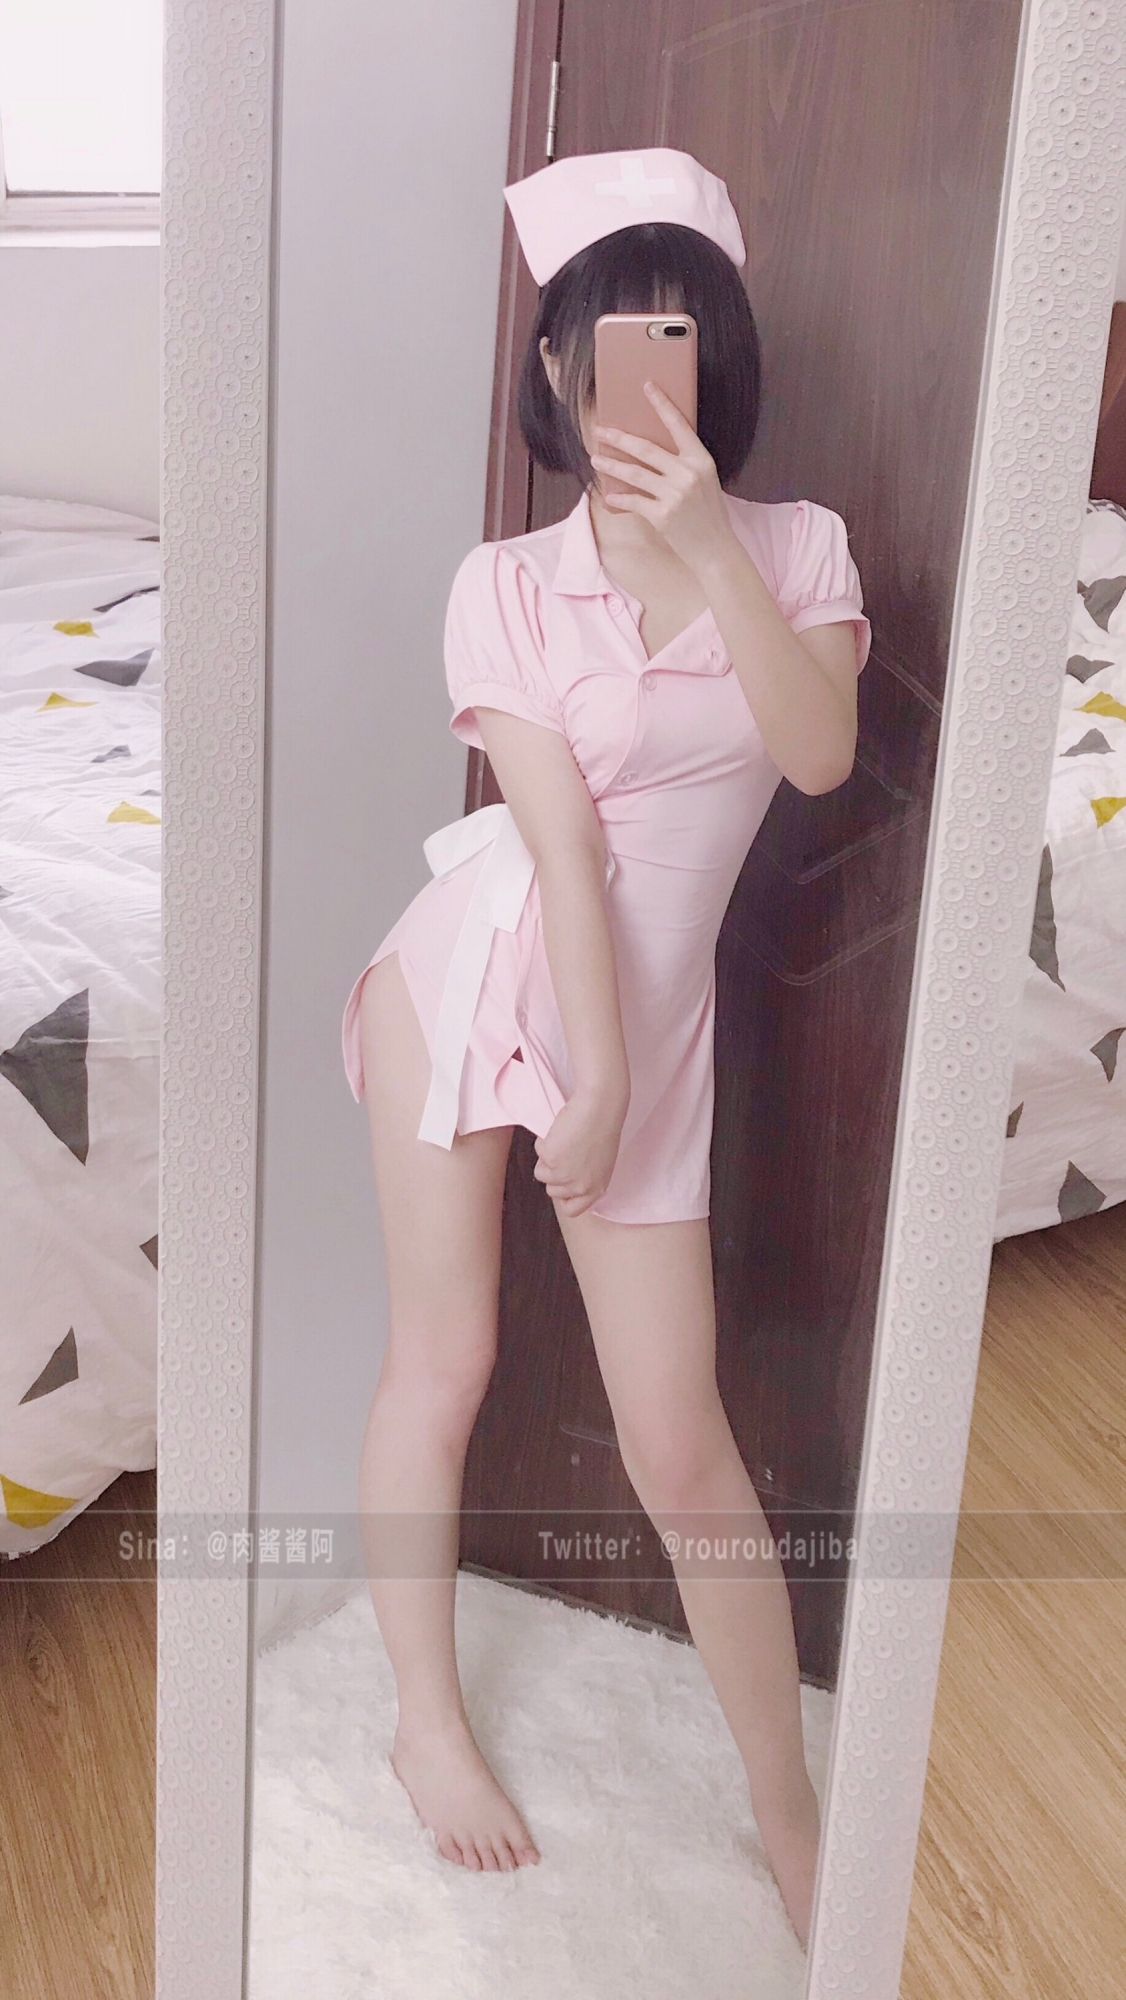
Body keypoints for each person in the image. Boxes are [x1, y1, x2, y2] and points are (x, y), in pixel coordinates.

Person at [340, 148, 871, 1950]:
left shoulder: (798, 550)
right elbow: (561, 846)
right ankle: (422, 1723)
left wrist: (713, 551)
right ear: (554, 368)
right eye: (594, 342)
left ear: (714, 358)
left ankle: (786, 1812)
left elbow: (815, 756)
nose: (625, 376)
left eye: (666, 338)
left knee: (678, 1439)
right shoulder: (501, 580)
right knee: (446, 1357)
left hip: (652, 1022)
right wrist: (596, 1074)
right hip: (476, 974)